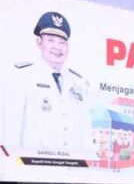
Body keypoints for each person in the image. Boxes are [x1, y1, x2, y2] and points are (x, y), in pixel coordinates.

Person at [4, 12, 92, 152]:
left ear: (67, 47)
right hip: (33, 167)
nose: (57, 47)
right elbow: (10, 128)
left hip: (72, 168)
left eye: (62, 42)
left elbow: (86, 131)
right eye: (50, 40)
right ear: (39, 43)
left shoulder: (78, 82)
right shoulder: (23, 76)